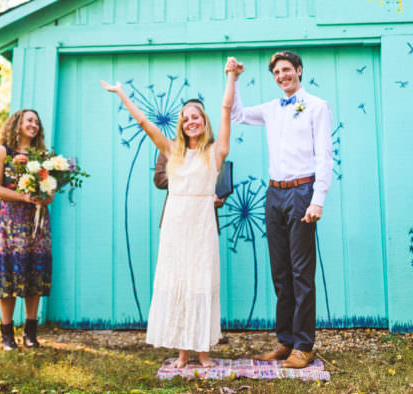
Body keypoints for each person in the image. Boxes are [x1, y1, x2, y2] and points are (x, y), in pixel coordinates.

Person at [102, 70, 235, 368]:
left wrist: (231, 77)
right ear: (181, 125)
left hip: (202, 224)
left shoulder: (215, 152)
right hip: (175, 225)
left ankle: (202, 352)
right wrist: (122, 93)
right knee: (178, 283)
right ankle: (182, 353)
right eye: (186, 119)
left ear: (204, 122)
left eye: (195, 117)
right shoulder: (172, 151)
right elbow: (144, 124)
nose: (191, 122)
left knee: (201, 283)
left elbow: (226, 110)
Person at [227, 51, 333, 369]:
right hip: (273, 194)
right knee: (281, 273)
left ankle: (304, 345)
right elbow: (237, 114)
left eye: (287, 70)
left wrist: (318, 199)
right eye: (277, 72)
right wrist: (234, 77)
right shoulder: (272, 109)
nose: (282, 75)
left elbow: (325, 156)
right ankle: (285, 342)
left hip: (303, 192)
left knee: (302, 273)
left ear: (299, 71)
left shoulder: (316, 106)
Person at [0, 109, 54, 351]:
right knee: (9, 273)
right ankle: (7, 335)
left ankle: (30, 332)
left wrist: (41, 198)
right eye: (29, 120)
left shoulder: (44, 157)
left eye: (37, 122)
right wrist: (23, 196)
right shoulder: (2, 152)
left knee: (33, 272)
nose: (34, 125)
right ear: (17, 123)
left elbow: (51, 194)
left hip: (37, 222)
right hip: (11, 222)